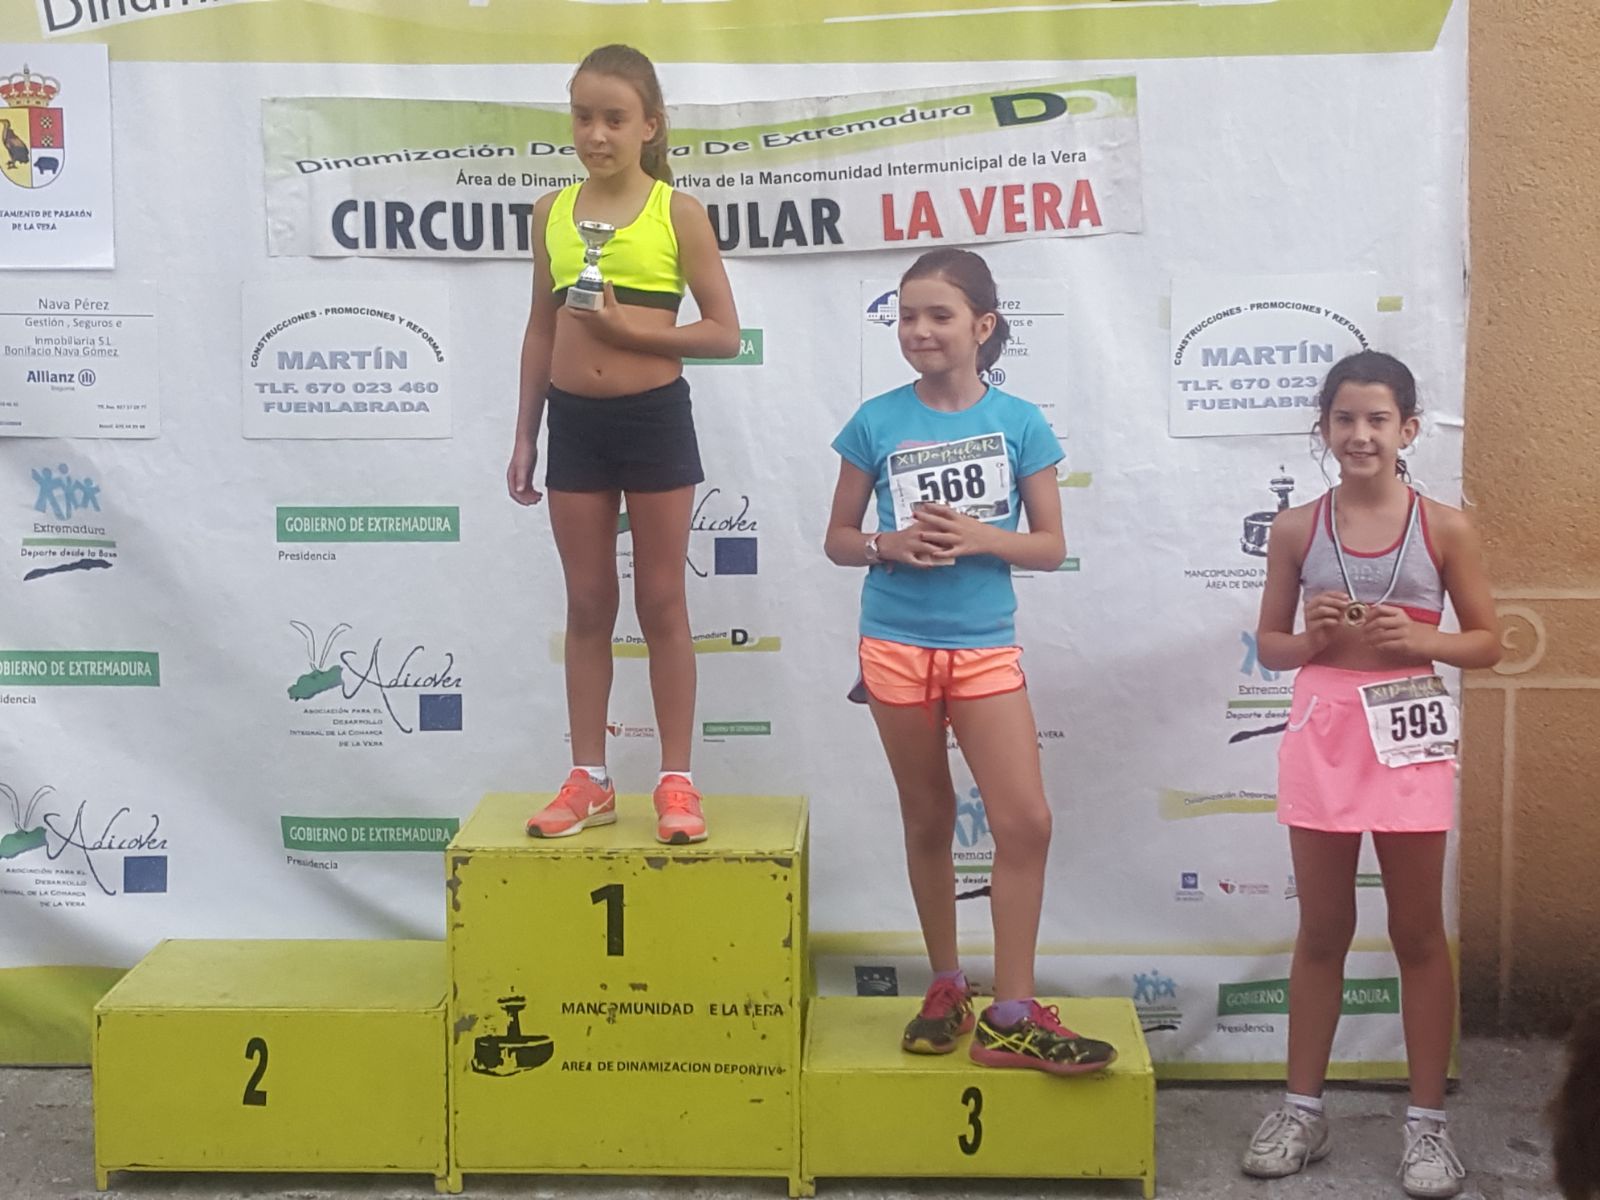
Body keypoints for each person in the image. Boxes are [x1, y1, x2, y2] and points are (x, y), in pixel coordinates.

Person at [824, 247, 1116, 1075]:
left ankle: (1012, 1012)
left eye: (939, 315)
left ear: (983, 326)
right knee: (928, 816)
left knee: (1024, 821)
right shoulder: (874, 420)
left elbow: (1050, 546)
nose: (919, 330)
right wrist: (888, 544)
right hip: (894, 643)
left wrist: (984, 537)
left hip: (983, 647)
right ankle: (947, 985)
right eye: (906, 316)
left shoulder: (1022, 423)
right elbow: (838, 539)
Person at [1241, 351, 1500, 1197]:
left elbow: (1487, 642)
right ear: (1323, 429)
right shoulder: (1296, 529)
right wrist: (1312, 639)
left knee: (1418, 934)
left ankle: (1427, 1127)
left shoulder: (1446, 528)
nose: (1360, 435)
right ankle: (1301, 1111)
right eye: (1344, 419)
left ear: (1408, 430)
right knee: (1322, 931)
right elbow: (1271, 645)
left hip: (1409, 728)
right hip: (1324, 729)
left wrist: (1424, 640)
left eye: (1378, 420)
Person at [508, 44, 740, 845]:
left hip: (652, 420)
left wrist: (627, 329)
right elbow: (540, 330)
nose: (596, 134)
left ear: (651, 125)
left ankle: (676, 782)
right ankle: (590, 779)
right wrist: (525, 433)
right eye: (583, 117)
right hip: (573, 423)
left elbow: (723, 332)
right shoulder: (550, 211)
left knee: (662, 601)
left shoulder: (678, 212)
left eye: (614, 118)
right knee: (587, 604)